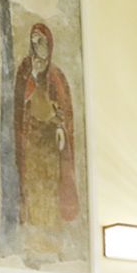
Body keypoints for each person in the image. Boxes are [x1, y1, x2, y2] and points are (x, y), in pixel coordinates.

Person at [14, 20, 79, 228]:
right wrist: (33, 76)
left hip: (50, 140)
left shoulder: (56, 75)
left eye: (41, 42)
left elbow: (63, 109)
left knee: (50, 181)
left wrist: (60, 128)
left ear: (49, 45)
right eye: (34, 43)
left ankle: (50, 225)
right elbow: (21, 102)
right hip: (31, 137)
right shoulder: (25, 71)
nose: (37, 48)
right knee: (32, 181)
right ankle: (34, 224)